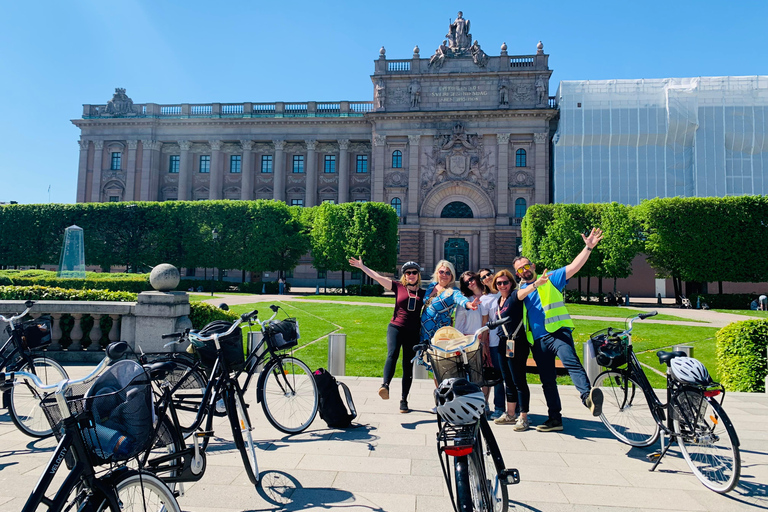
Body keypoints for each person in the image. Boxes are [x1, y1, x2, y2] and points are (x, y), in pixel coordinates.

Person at [513, 227, 605, 432]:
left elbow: (573, 267)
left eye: (526, 266)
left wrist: (588, 248)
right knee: (547, 380)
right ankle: (555, 419)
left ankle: (587, 398)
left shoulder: (551, 277)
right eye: (519, 270)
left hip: (557, 333)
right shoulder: (523, 291)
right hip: (537, 341)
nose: (524, 271)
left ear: (533, 265)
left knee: (572, 363)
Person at [349, 257, 425, 413]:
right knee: (392, 354)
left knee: (407, 365)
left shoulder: (424, 293)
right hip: (396, 327)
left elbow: (444, 288)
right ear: (404, 275)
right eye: (408, 273)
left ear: (418, 275)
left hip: (413, 331)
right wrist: (363, 266)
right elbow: (377, 277)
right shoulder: (398, 287)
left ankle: (404, 401)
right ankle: (385, 386)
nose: (411, 275)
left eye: (414, 273)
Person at [491, 269, 549, 431]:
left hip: (517, 342)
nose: (502, 285)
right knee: (507, 380)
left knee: (518, 380)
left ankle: (523, 416)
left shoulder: (515, 296)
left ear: (511, 283)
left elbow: (526, 291)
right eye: (499, 283)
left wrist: (537, 283)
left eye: (505, 282)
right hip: (503, 342)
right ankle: (510, 414)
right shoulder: (499, 300)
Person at [421, 260, 478, 345]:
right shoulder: (432, 286)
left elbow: (459, 298)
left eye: (448, 273)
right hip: (424, 332)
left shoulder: (453, 291)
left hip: (439, 335)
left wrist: (468, 304)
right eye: (441, 272)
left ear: (452, 276)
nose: (444, 275)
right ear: (437, 273)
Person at [478, 268, 504, 419]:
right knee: (499, 375)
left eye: (488, 274)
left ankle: (518, 408)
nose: (487, 278)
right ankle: (499, 407)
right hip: (494, 342)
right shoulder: (485, 299)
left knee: (512, 376)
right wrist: (484, 345)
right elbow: (484, 323)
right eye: (483, 278)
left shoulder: (505, 289)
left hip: (510, 340)